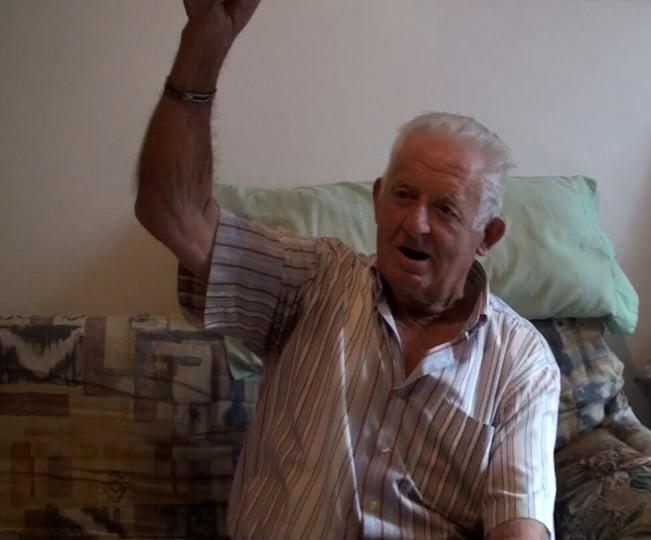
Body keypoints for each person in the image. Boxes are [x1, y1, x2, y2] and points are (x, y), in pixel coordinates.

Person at [134, 1, 561, 539]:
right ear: (378, 200)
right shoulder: (312, 280)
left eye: (445, 210)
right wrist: (205, 41)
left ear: (487, 237)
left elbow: (521, 524)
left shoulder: (522, 362)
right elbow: (170, 211)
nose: (416, 223)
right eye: (403, 196)